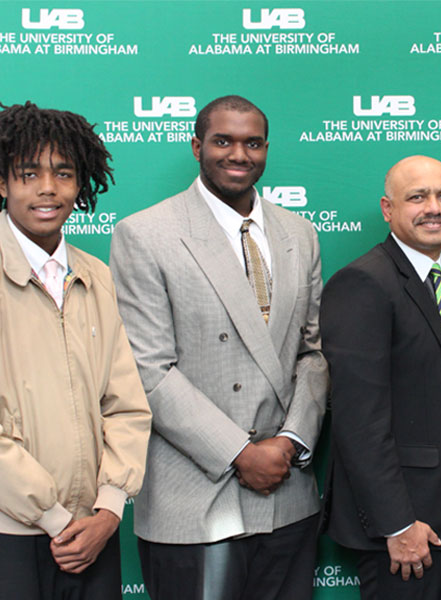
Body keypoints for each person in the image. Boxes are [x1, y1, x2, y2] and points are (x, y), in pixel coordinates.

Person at [109, 95, 328, 600]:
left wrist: (290, 441)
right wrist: (238, 453)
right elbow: (149, 369)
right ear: (196, 146)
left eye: (252, 143)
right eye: (223, 141)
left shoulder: (300, 233)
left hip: (287, 494)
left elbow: (312, 354)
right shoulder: (145, 234)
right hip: (194, 498)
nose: (238, 154)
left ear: (266, 149)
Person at [0, 101, 151, 599]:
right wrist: (54, 516)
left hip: (94, 535)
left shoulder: (97, 276)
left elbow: (126, 404)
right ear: (3, 184)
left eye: (64, 174)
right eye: (29, 174)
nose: (48, 188)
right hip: (13, 535)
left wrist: (109, 509)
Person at [320, 155, 441, 600]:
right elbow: (358, 420)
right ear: (388, 209)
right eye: (418, 197)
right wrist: (398, 524)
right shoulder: (362, 283)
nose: (434, 207)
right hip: (406, 531)